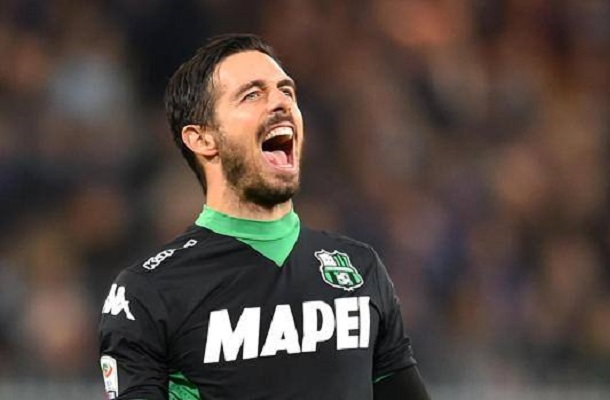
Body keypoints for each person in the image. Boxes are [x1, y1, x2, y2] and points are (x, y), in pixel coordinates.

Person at [99, 33, 431, 400]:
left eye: (286, 91)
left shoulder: (359, 268)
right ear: (202, 138)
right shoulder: (150, 291)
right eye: (252, 95)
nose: (281, 102)